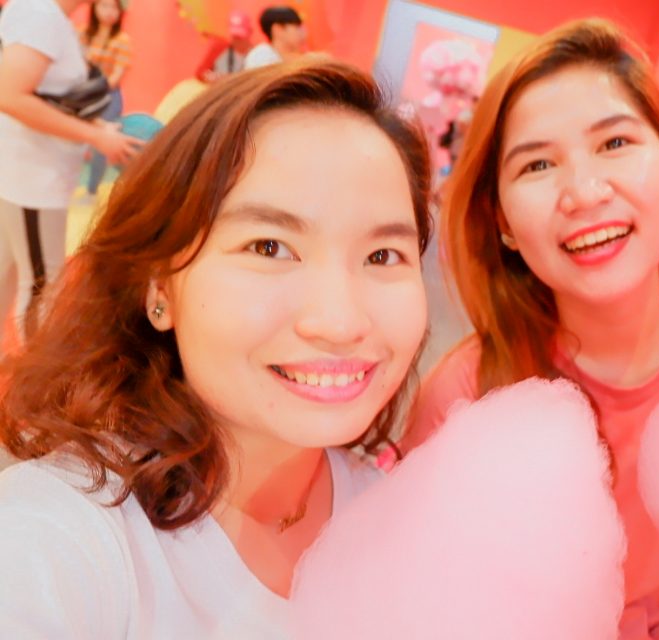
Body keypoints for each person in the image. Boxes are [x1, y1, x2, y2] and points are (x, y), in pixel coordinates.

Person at [0, 59, 431, 636]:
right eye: (269, 247)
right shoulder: (62, 535)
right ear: (160, 286)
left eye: (382, 256)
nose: (340, 322)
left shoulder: (398, 515)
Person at [400, 19, 659, 640]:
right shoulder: (463, 403)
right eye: (538, 164)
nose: (583, 191)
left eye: (614, 143)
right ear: (503, 222)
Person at [0, 0, 140, 348]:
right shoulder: (40, 14)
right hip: (33, 181)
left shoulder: (45, 14)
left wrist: (97, 128)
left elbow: (50, 97)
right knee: (42, 283)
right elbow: (10, 96)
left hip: (29, 174)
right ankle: (37, 373)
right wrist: (95, 136)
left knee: (10, 272)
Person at [79, 0, 133, 197]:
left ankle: (91, 190)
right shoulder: (83, 34)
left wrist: (94, 88)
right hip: (82, 94)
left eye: (114, 7)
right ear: (94, 7)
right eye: (104, 6)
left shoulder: (122, 39)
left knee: (102, 144)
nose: (109, 12)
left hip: (108, 97)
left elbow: (116, 76)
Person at [195, 10, 253, 83]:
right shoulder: (220, 47)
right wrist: (213, 77)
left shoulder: (255, 53)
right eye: (234, 36)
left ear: (250, 31)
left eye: (240, 36)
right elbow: (200, 73)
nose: (237, 40)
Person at [244, 6, 305, 70]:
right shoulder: (260, 57)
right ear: (277, 29)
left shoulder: (298, 56)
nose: (303, 32)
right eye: (297, 27)